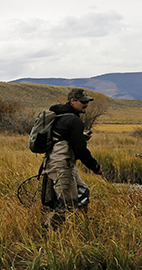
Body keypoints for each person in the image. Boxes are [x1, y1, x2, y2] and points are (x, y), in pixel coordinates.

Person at [43, 88, 104, 229]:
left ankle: (82, 226)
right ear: (73, 101)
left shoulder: (60, 115)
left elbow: (62, 136)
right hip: (61, 165)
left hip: (58, 162)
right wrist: (95, 167)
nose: (86, 104)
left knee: (83, 191)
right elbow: (80, 150)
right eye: (83, 102)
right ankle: (46, 233)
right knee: (66, 204)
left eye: (87, 101)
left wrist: (79, 136)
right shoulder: (74, 120)